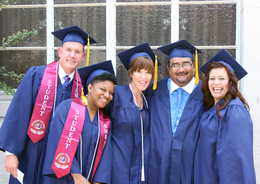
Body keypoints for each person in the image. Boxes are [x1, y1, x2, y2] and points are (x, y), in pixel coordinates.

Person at [0, 25, 96, 184]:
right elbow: (19, 111)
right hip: (31, 152)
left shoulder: (83, 89)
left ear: (83, 56)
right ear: (60, 51)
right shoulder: (37, 75)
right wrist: (11, 153)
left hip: (61, 159)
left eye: (77, 52)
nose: (72, 55)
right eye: (68, 50)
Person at [42, 60, 117, 184]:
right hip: (64, 177)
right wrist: (76, 175)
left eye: (111, 93)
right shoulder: (68, 108)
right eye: (103, 89)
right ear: (90, 87)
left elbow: (106, 155)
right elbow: (57, 140)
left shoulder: (105, 121)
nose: (107, 95)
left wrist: (98, 181)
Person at [146, 39, 206, 184]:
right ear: (168, 68)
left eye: (186, 63)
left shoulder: (206, 91)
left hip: (191, 168)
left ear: (194, 65)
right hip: (157, 166)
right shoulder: (153, 90)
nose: (181, 69)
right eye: (175, 65)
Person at [194, 49, 256, 183]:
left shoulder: (234, 110)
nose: (216, 83)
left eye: (222, 78)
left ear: (230, 82)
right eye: (212, 78)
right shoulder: (213, 107)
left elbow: (235, 162)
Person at [105, 42, 157, 183]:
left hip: (142, 168)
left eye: (148, 72)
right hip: (118, 167)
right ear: (131, 73)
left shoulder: (149, 99)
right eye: (139, 71)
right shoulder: (115, 95)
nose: (144, 77)